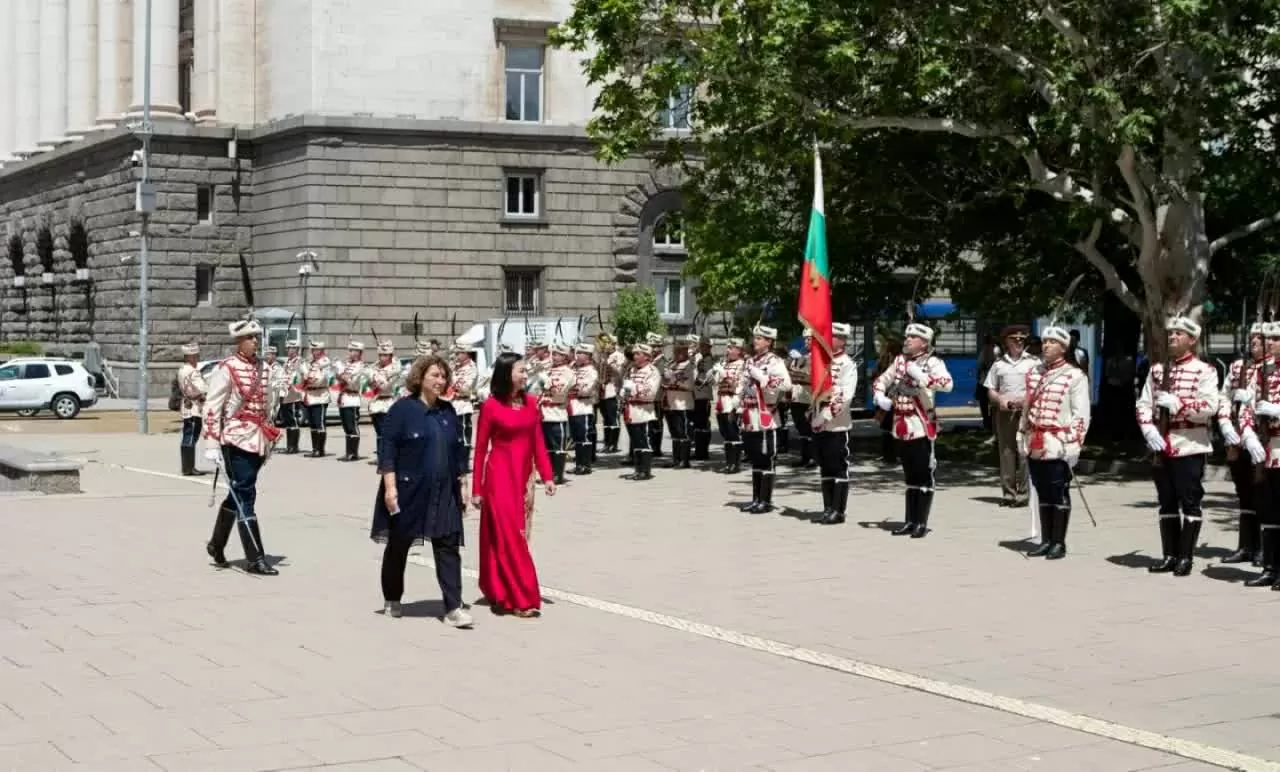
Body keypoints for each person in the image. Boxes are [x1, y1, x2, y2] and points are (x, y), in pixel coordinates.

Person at [371, 355, 473, 627]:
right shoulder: (402, 410)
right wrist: (390, 488)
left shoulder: (448, 411)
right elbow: (388, 450)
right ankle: (392, 597)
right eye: (435, 376)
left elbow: (458, 450)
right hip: (409, 490)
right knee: (398, 545)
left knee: (448, 544)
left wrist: (463, 484)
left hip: (444, 491)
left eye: (443, 376)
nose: (440, 381)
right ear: (420, 377)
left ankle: (453, 607)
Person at [472, 352, 556, 617]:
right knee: (511, 538)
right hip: (498, 479)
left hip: (523, 480)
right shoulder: (491, 406)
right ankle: (522, 597)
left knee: (515, 535)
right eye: (521, 370)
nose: (525, 374)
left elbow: (538, 443)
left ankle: (500, 588)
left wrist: (548, 475)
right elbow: (480, 449)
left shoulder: (531, 403)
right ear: (507, 374)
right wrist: (476, 488)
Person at [1136, 315, 1219, 577]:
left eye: (1179, 334)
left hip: (1189, 444)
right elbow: (1143, 404)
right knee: (1166, 501)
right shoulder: (1157, 370)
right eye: (1170, 334)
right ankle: (1169, 555)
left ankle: (1186, 557)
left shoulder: (1205, 371)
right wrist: (1148, 429)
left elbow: (1209, 407)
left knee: (1190, 501)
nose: (1172, 338)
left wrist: (1181, 405)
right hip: (1161, 444)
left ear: (1192, 340)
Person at [202, 319, 281, 576]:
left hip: (259, 438)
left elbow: (271, 402)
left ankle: (216, 544)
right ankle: (255, 557)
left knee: (237, 491)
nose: (255, 341)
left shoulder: (264, 368)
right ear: (239, 341)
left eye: (257, 337)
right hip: (236, 438)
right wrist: (212, 442)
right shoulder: (227, 368)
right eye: (250, 337)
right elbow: (212, 406)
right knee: (246, 494)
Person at [874, 321, 954, 538]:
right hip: (901, 425)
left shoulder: (933, 362)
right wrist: (880, 396)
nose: (907, 340)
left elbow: (947, 384)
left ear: (924, 343)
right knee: (909, 476)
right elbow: (882, 380)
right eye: (907, 336)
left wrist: (921, 376)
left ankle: (921, 522)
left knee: (923, 475)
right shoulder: (900, 361)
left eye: (913, 338)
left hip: (920, 425)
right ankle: (909, 521)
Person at [1018, 326, 1091, 559]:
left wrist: (1074, 445)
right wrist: (1022, 434)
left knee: (1059, 491)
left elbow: (1082, 415)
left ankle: (1059, 542)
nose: (1046, 345)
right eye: (1045, 341)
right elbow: (1027, 406)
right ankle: (1046, 540)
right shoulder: (1034, 372)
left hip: (1058, 442)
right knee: (1042, 491)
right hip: (1036, 440)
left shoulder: (1074, 376)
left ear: (1063, 347)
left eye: (1052, 342)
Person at [1217, 323, 1268, 566]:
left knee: (1264, 492)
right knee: (1244, 493)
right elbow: (1224, 396)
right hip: (1239, 438)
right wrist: (1226, 424)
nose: (1254, 342)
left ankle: (1264, 549)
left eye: (1259, 338)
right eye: (1252, 338)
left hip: (1265, 439)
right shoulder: (1239, 367)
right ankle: (1246, 546)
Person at [738, 324, 792, 513]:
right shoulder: (751, 360)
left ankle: (766, 501)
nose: (755, 341)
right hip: (750, 415)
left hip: (766, 415)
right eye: (755, 338)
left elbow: (786, 384)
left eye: (760, 338)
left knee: (766, 457)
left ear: (769, 342)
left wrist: (763, 377)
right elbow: (742, 382)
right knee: (755, 458)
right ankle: (756, 499)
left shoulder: (775, 361)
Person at [984, 326, 1040, 507]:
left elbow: (1040, 387)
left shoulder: (1034, 363)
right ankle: (1008, 493)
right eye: (1014, 339)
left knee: (1025, 452)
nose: (1018, 342)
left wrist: (1026, 400)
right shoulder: (998, 365)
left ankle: (1024, 494)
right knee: (1006, 452)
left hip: (1026, 412)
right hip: (1005, 413)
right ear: (1006, 341)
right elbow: (991, 389)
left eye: (1021, 339)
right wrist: (1000, 399)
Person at [1242, 324, 1280, 588]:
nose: (1270, 343)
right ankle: (1270, 567)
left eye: (1276, 339)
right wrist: (1248, 435)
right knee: (1268, 511)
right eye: (1268, 339)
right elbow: (1246, 408)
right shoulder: (1260, 373)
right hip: (1266, 450)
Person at [811, 323, 857, 524]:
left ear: (842, 340)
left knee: (838, 467)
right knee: (825, 467)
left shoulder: (848, 364)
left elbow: (845, 396)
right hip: (818, 423)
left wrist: (826, 415)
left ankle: (838, 511)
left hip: (836, 424)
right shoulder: (821, 362)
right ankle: (827, 507)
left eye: (833, 336)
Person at [622, 343, 662, 481]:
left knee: (644, 440)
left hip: (644, 410)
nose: (635, 356)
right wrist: (624, 392)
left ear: (646, 356)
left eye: (638, 354)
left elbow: (650, 393)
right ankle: (638, 469)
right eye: (634, 354)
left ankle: (645, 471)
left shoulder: (652, 371)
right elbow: (626, 387)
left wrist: (632, 388)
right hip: (631, 409)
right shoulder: (632, 370)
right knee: (635, 441)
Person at [538, 343, 574, 485]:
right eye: (554, 354)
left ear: (565, 357)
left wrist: (544, 381)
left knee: (557, 446)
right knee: (546, 447)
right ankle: (548, 475)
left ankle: (558, 475)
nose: (554, 357)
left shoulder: (567, 372)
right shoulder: (549, 370)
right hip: (544, 412)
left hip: (557, 412)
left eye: (558, 354)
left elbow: (558, 391)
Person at [661, 335, 698, 469]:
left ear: (685, 351)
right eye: (676, 351)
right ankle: (675, 459)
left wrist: (673, 381)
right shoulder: (672, 364)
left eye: (680, 351)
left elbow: (690, 384)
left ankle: (684, 460)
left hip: (683, 402)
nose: (677, 353)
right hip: (671, 402)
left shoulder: (690, 366)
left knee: (683, 431)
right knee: (674, 432)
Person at [711, 338, 746, 473]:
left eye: (731, 348)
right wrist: (715, 373)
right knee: (725, 432)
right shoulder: (724, 363)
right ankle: (728, 462)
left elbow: (740, 384)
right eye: (727, 348)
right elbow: (716, 383)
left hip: (733, 403)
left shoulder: (742, 364)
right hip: (722, 402)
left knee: (733, 433)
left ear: (739, 350)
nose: (728, 350)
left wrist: (724, 374)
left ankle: (735, 464)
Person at [366, 341, 402, 465]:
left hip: (388, 402)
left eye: (385, 355)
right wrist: (375, 378)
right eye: (380, 355)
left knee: (386, 431)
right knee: (379, 432)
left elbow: (385, 386)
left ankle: (388, 457)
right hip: (376, 402)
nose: (382, 358)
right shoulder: (374, 367)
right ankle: (381, 456)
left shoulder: (395, 369)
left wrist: (376, 378)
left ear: (391, 356)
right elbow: (369, 381)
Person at [177, 342, 208, 476]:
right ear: (188, 357)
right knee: (191, 437)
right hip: (195, 407)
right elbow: (202, 388)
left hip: (186, 405)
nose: (197, 359)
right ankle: (189, 468)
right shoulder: (193, 372)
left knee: (187, 435)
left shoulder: (182, 370)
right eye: (195, 356)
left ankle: (186, 467)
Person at [335, 341, 370, 462]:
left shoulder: (360, 366)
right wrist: (339, 370)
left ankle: (354, 453)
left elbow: (350, 381)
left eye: (352, 351)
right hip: (344, 398)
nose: (349, 353)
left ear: (359, 353)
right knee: (346, 426)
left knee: (352, 426)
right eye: (349, 350)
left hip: (352, 398)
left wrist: (341, 372)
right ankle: (348, 452)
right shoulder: (348, 365)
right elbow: (339, 379)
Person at [568, 343, 599, 475]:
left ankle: (585, 465)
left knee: (583, 437)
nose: (578, 355)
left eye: (582, 353)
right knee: (576, 438)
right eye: (578, 352)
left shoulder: (591, 371)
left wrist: (571, 388)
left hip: (583, 406)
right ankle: (578, 464)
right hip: (572, 406)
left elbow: (585, 390)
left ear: (588, 356)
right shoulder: (573, 368)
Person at [448, 344, 479, 473]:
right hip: (451, 404)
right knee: (452, 436)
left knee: (464, 437)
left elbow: (465, 388)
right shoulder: (454, 367)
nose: (456, 356)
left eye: (459, 353)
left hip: (463, 405)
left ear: (466, 354)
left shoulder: (472, 368)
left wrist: (451, 378)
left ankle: (464, 465)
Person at [787, 335, 816, 469]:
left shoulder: (818, 358)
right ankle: (804, 457)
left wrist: (801, 362)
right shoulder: (800, 356)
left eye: (809, 339)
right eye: (805, 339)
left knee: (810, 429)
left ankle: (813, 458)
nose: (806, 342)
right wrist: (791, 360)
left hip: (808, 397)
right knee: (801, 429)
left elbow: (812, 377)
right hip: (797, 396)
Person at [301, 340, 333, 457]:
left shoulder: (325, 362)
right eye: (313, 350)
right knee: (312, 424)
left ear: (322, 350)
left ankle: (320, 449)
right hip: (310, 396)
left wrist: (308, 379)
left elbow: (321, 379)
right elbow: (303, 375)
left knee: (319, 423)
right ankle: (315, 449)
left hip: (320, 396)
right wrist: (307, 377)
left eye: (317, 350)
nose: (314, 352)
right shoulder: (309, 362)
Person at [598, 334, 625, 454]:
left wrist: (610, 365)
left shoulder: (618, 356)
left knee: (613, 418)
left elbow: (621, 372)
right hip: (603, 390)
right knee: (606, 418)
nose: (605, 345)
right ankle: (607, 443)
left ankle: (613, 444)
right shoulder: (604, 356)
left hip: (613, 389)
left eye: (607, 343)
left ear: (613, 344)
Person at [277, 340, 305, 454]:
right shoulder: (287, 362)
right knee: (287, 420)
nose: (288, 350)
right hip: (286, 394)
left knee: (293, 419)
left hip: (294, 393)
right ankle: (289, 446)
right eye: (288, 348)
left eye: (291, 348)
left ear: (296, 350)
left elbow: (299, 377)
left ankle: (294, 446)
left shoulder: (299, 362)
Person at [691, 336, 716, 462]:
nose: (701, 347)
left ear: (708, 347)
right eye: (701, 345)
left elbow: (705, 378)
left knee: (702, 424)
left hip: (703, 394)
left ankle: (702, 452)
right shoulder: (701, 358)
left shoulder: (708, 359)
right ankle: (699, 451)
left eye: (704, 346)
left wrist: (694, 372)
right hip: (698, 394)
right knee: (698, 424)